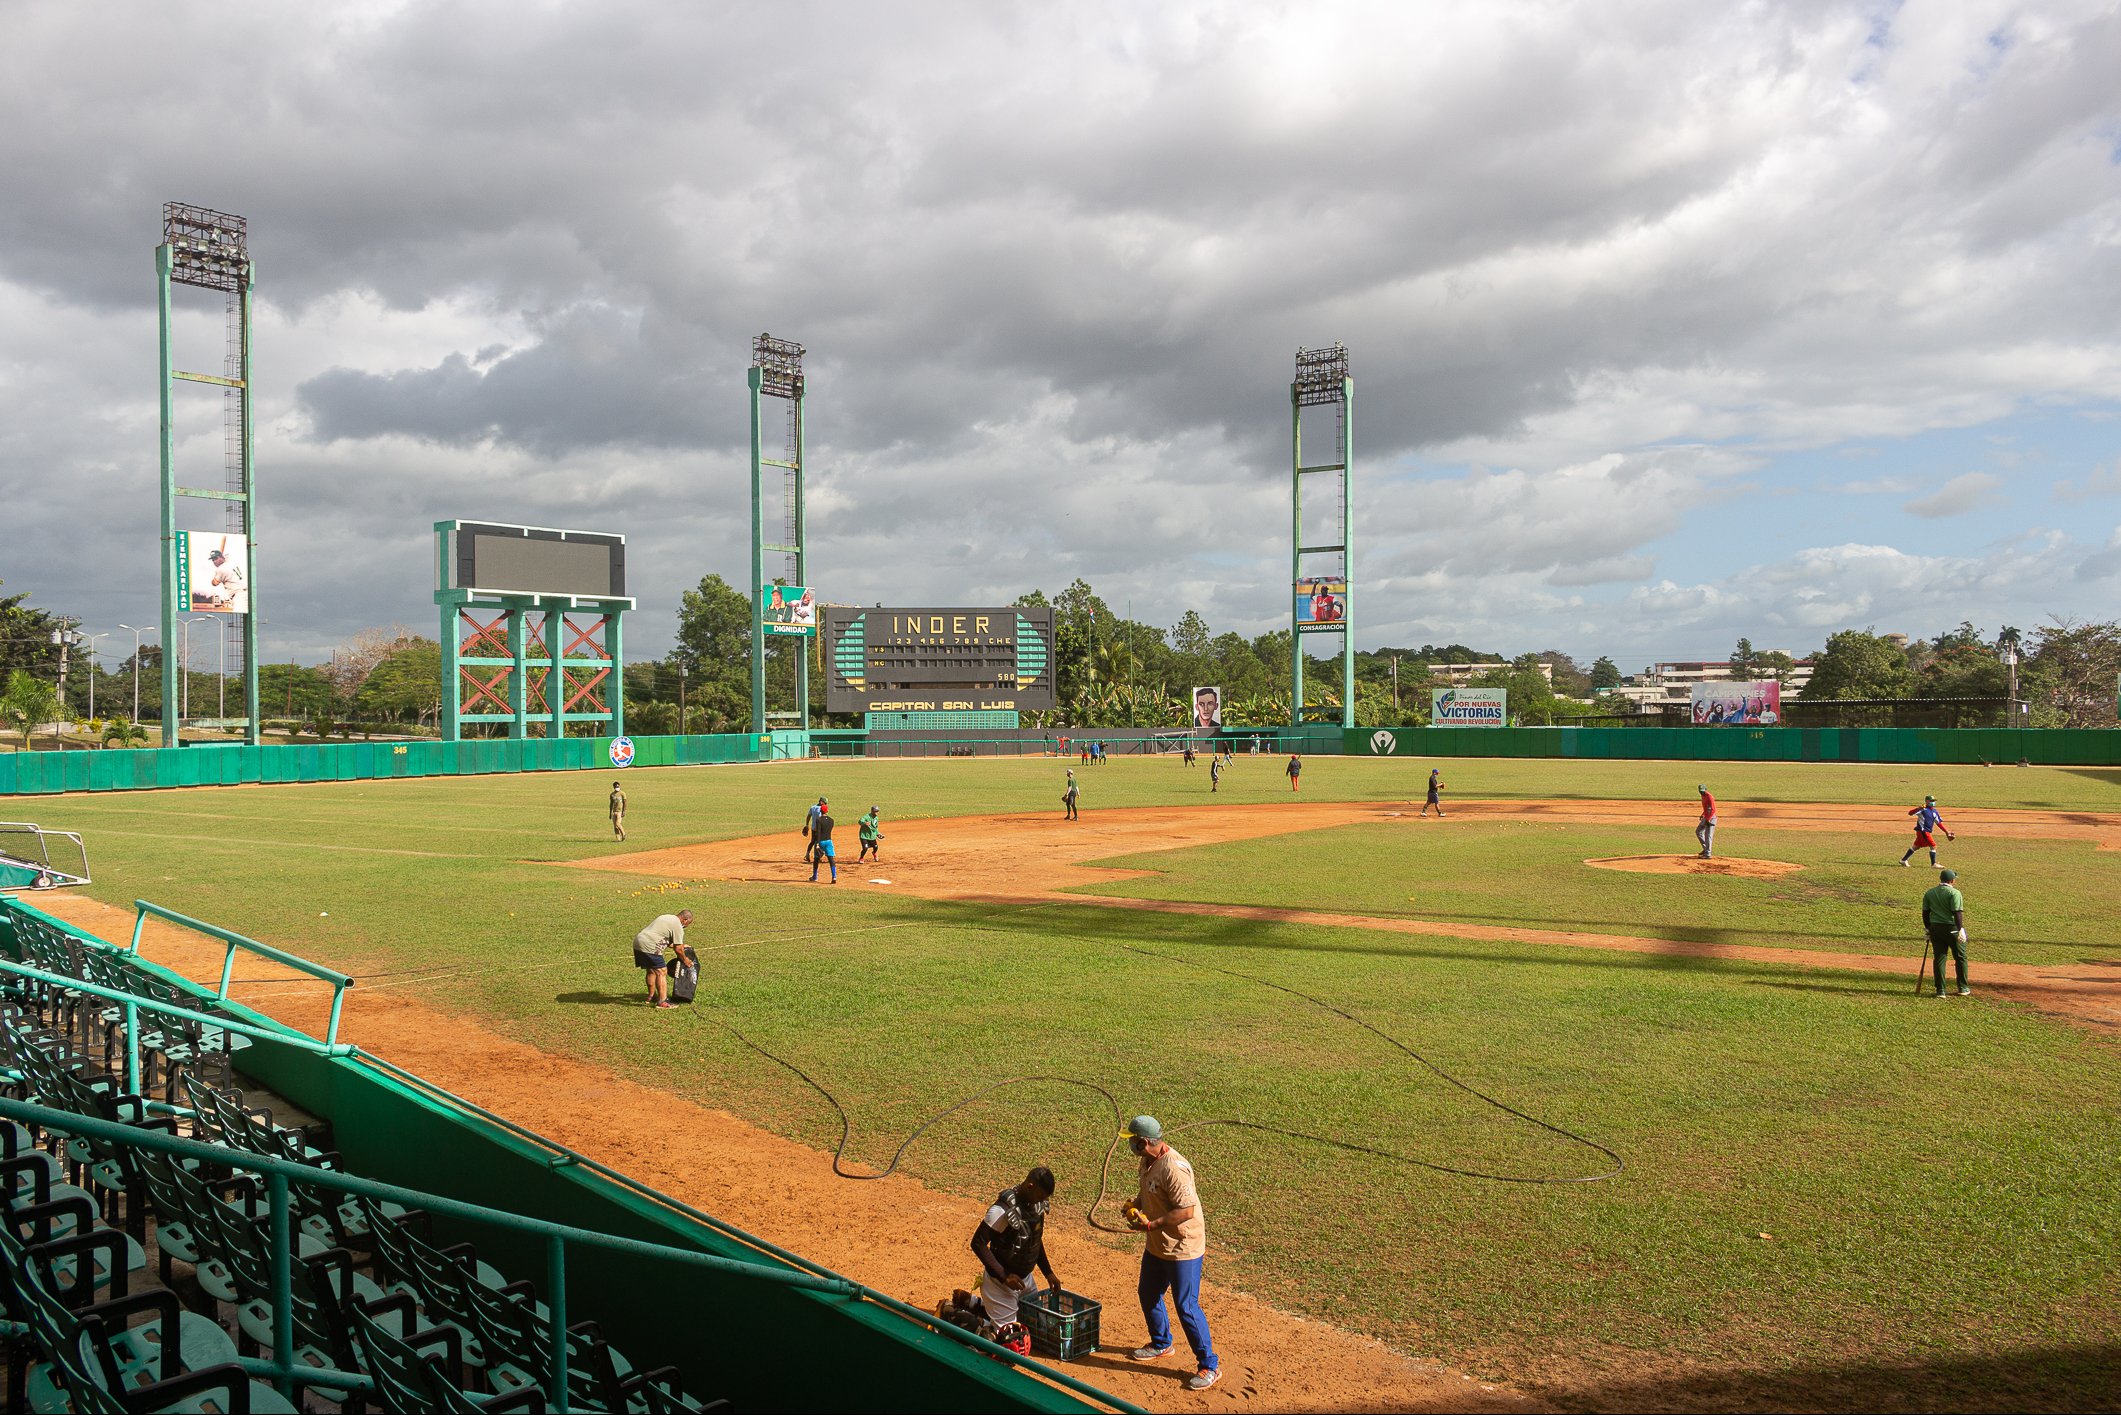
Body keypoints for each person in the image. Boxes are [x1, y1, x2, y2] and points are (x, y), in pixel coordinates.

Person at [1123, 1116, 1218, 1391]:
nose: (1129, 1145)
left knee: (1186, 1306)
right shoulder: (1147, 1161)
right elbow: (1149, 1191)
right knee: (1148, 1293)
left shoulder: (1174, 1169)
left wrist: (1151, 1224)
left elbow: (1185, 1210)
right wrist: (1136, 1203)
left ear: (1143, 1142)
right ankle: (1161, 1343)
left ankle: (1209, 1365)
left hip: (1182, 1247)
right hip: (1158, 1244)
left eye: (1132, 1140)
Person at [970, 1167, 1061, 1334]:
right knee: (1010, 1341)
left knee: (1038, 1331)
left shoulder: (1034, 1206)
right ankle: (954, 1314)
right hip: (999, 1285)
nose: (1040, 1201)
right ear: (1030, 1186)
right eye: (1040, 1196)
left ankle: (973, 1304)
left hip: (1025, 1281)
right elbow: (978, 1243)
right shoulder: (1001, 1210)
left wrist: (1048, 1272)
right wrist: (1004, 1276)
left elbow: (1033, 1241)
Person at [1922, 868, 1970, 997]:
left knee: (1939, 958)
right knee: (1960, 958)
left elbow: (1925, 913)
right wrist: (1961, 930)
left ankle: (1940, 990)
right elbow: (1957, 912)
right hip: (1952, 929)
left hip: (1935, 929)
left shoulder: (1930, 893)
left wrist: (1927, 928)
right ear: (1952, 880)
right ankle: (1963, 987)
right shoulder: (1954, 893)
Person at [632, 909, 693, 1009]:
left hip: (638, 942)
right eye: (687, 924)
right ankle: (662, 1001)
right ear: (685, 920)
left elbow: (664, 938)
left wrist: (681, 946)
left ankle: (651, 996)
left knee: (651, 970)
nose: (685, 926)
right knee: (662, 971)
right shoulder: (677, 925)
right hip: (650, 946)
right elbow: (678, 949)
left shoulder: (666, 917)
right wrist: (685, 960)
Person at [1901, 795, 1955, 868]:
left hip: (1925, 832)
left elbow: (1938, 823)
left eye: (1934, 801)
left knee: (1916, 846)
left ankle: (1903, 860)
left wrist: (1947, 832)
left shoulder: (1934, 811)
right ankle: (1934, 864)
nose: (1933, 802)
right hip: (1923, 831)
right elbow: (1910, 813)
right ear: (1926, 801)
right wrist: (1918, 808)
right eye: (1931, 801)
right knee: (1933, 846)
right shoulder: (1923, 809)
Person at [809, 806, 838, 883]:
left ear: (820, 811)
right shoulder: (832, 820)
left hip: (820, 841)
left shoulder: (818, 820)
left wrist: (817, 843)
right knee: (831, 859)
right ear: (827, 811)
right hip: (828, 841)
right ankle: (834, 877)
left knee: (816, 859)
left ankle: (815, 876)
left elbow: (818, 832)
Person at [1695, 784, 1717, 859]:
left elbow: (1713, 809)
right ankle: (1705, 849)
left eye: (1703, 791)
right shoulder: (1703, 796)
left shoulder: (1709, 797)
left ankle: (1708, 854)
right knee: (1698, 831)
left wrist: (1708, 819)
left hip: (1711, 818)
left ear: (1705, 789)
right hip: (1706, 817)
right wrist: (1703, 814)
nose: (1701, 792)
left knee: (1708, 835)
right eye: (1700, 791)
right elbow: (1706, 808)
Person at [803, 797, 826, 864]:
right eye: (825, 803)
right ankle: (818, 857)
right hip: (819, 829)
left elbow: (808, 816)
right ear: (821, 802)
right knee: (819, 842)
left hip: (813, 828)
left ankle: (807, 854)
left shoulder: (812, 807)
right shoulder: (821, 809)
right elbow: (822, 818)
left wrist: (807, 825)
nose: (825, 804)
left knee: (813, 841)